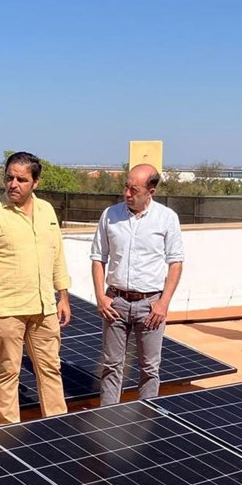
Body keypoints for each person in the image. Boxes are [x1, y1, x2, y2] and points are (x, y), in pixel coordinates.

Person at [0, 151, 71, 425]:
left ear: (35, 182)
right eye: (9, 178)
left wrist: (63, 296)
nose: (13, 184)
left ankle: (59, 428)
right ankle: (9, 434)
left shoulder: (47, 211)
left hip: (44, 308)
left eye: (21, 180)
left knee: (51, 370)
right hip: (6, 311)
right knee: (8, 373)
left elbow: (57, 256)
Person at [90, 163, 184, 405]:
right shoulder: (110, 215)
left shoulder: (167, 218)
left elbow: (175, 263)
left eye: (134, 190)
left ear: (151, 192)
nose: (127, 194)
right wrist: (100, 297)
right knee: (111, 365)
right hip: (115, 302)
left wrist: (163, 303)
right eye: (126, 187)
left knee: (150, 368)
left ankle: (146, 416)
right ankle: (108, 416)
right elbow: (98, 258)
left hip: (150, 305)